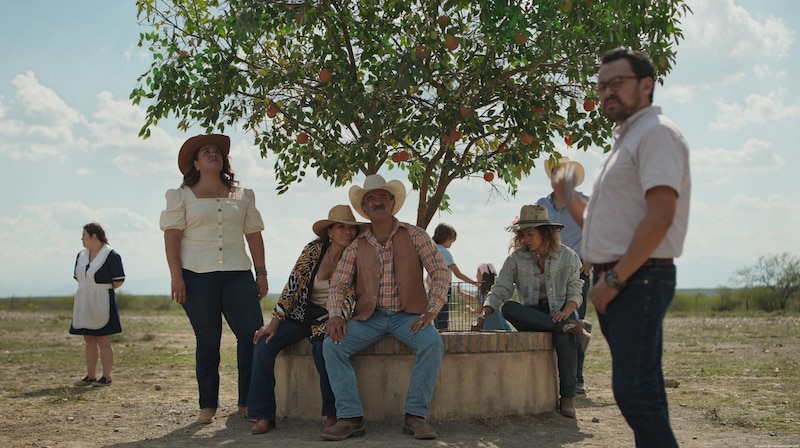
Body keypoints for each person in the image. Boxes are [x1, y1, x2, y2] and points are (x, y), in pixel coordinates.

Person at [557, 47, 690, 447]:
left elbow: (662, 214)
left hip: (638, 277)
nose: (607, 93)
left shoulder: (658, 134)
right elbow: (597, 225)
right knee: (641, 391)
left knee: (634, 392)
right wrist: (567, 193)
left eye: (617, 83)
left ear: (646, 85)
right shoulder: (625, 142)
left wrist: (613, 280)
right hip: (626, 276)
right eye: (601, 87)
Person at [321, 174, 450, 441]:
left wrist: (432, 310)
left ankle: (415, 416)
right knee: (332, 346)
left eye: (382, 197)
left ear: (392, 204)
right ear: (365, 209)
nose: (377, 202)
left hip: (409, 317)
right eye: (371, 199)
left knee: (432, 344)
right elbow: (338, 284)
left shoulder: (415, 235)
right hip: (370, 318)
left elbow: (440, 271)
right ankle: (350, 417)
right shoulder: (356, 245)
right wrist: (335, 315)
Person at [159, 134, 268, 425]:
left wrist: (261, 272)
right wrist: (176, 277)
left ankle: (247, 401)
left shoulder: (243, 195)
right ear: (195, 163)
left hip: (238, 275)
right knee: (208, 340)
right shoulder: (180, 195)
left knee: (252, 335)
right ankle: (208, 404)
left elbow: (254, 235)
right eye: (205, 151)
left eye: (217, 151)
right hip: (196, 277)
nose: (213, 154)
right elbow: (172, 236)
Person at [247, 205, 363, 435]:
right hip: (301, 313)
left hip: (331, 316)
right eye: (341, 226)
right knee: (264, 344)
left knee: (324, 349)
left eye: (351, 228)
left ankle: (333, 414)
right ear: (329, 231)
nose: (347, 232)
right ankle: (263, 415)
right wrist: (275, 321)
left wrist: (338, 319)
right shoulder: (313, 250)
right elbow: (293, 285)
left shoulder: (358, 256)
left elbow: (351, 296)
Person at [472, 204, 590, 418]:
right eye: (523, 235)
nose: (526, 239)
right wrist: (484, 314)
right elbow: (500, 290)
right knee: (509, 308)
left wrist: (566, 312)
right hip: (533, 314)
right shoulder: (515, 259)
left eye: (530, 234)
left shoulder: (568, 256)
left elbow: (575, 290)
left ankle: (567, 399)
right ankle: (574, 328)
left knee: (564, 340)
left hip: (562, 309)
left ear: (545, 233)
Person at [537, 157, 592, 394]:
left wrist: (590, 259)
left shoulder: (586, 202)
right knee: (554, 320)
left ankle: (576, 378)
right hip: (546, 273)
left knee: (573, 319)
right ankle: (554, 377)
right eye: (555, 173)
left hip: (577, 271)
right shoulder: (541, 205)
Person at [70, 223, 125, 387]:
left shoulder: (111, 255)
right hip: (85, 300)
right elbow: (78, 276)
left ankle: (106, 376)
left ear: (94, 236)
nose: (82, 239)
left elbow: (118, 280)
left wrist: (101, 290)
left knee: (103, 338)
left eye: (84, 235)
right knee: (89, 338)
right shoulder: (81, 255)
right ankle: (90, 375)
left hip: (102, 299)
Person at [431, 223, 476, 330]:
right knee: (443, 315)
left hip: (433, 287)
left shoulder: (432, 250)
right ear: (446, 238)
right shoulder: (444, 252)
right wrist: (473, 283)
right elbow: (458, 274)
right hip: (445, 287)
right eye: (451, 240)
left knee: (435, 314)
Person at [474, 263, 512, 331]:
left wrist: (472, 311)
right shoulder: (494, 289)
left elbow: (480, 307)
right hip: (499, 321)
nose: (476, 276)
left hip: (487, 322)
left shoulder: (482, 291)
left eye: (478, 274)